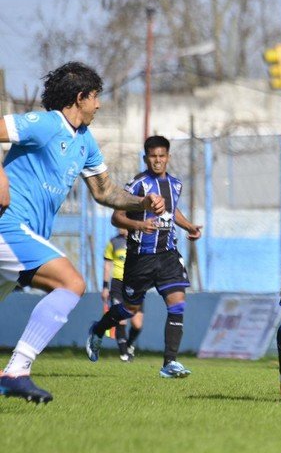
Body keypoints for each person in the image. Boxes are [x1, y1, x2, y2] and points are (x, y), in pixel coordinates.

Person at [0, 62, 165, 404]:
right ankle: (16, 371)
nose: (99, 105)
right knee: (71, 282)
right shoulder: (46, 124)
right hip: (8, 226)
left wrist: (142, 202)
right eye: (95, 98)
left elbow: (105, 192)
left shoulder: (85, 142)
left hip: (26, 235)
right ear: (80, 97)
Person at [86, 135, 202, 379]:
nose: (157, 161)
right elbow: (116, 217)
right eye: (153, 156)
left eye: (162, 156)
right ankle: (97, 330)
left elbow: (173, 210)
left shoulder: (175, 185)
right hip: (140, 258)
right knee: (129, 310)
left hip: (168, 254)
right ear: (145, 158)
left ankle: (169, 363)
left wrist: (189, 226)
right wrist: (138, 226)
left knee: (178, 302)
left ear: (168, 157)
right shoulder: (138, 184)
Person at [101, 228, 144, 361]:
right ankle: (124, 354)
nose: (120, 227)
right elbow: (107, 266)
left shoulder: (140, 241)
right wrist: (105, 287)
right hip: (118, 285)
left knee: (137, 324)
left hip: (136, 285)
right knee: (121, 318)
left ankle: (129, 344)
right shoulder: (113, 242)